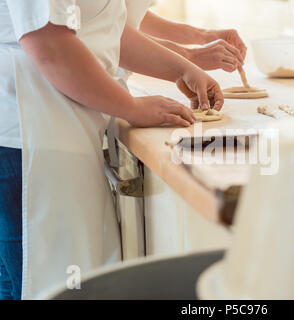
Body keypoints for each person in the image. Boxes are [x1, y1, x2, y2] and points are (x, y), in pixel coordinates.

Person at [0, 0, 244, 300]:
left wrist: (182, 68)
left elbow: (103, 29)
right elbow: (49, 46)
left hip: (56, 134)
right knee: (32, 284)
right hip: (26, 142)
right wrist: (131, 107)